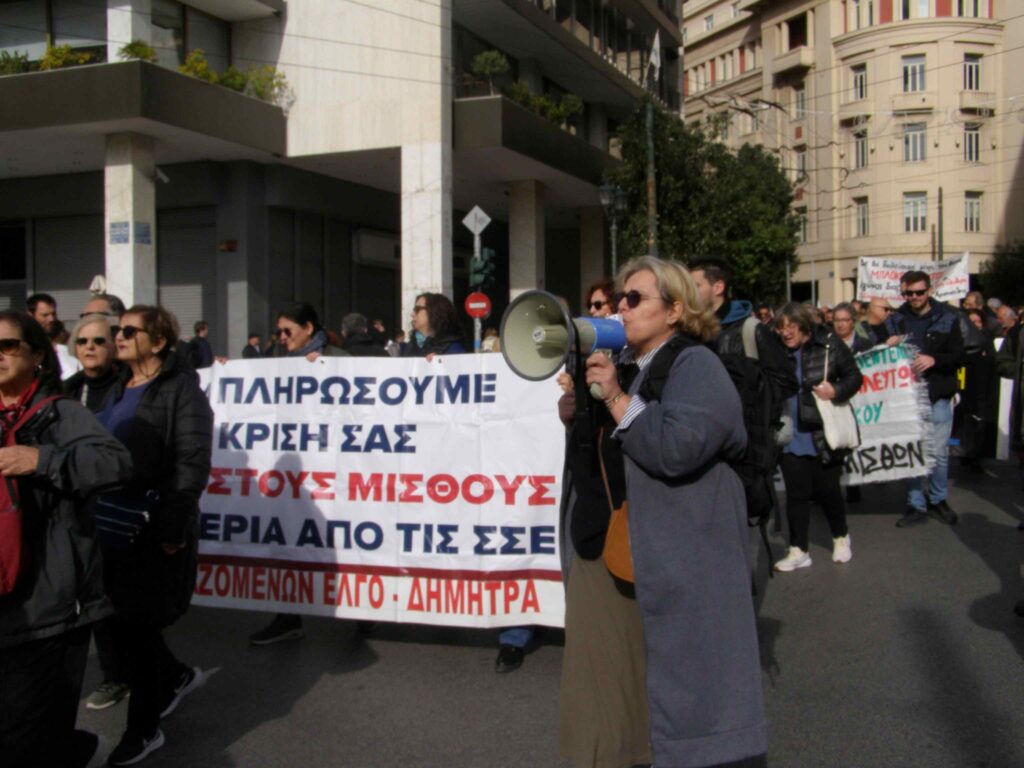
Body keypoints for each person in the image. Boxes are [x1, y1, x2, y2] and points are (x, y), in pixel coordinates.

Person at [584, 256, 767, 768]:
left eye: (634, 298)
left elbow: (677, 448)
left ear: (674, 311)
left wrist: (615, 397)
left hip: (694, 550)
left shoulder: (696, 364)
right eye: (619, 298)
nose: (621, 307)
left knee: (699, 683)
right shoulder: (635, 368)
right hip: (656, 552)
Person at [0, 311, 133, 768]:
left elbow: (116, 464)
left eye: (8, 346)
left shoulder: (62, 412)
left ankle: (77, 748)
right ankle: (75, 749)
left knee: (26, 736)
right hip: (4, 600)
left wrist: (42, 460)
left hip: (49, 606)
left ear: (37, 355)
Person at [98, 305, 213, 765]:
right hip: (108, 521)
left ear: (159, 342)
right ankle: (177, 676)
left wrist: (174, 523)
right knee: (119, 623)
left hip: (150, 524)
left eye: (131, 331)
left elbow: (192, 460)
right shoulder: (115, 386)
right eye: (117, 329)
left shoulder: (181, 390)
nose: (119, 337)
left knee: (137, 625)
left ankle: (143, 729)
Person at [250, 303, 349, 647]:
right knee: (289, 536)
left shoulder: (340, 359)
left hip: (336, 471)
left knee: (345, 538)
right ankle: (287, 617)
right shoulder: (281, 362)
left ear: (308, 328)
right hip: (297, 474)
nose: (280, 337)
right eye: (278, 331)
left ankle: (361, 610)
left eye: (286, 330)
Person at [64, 314, 133, 711]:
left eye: (99, 341)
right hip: (78, 505)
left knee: (117, 599)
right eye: (83, 341)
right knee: (88, 595)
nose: (90, 347)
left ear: (114, 346)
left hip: (120, 504)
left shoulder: (129, 387)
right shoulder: (66, 391)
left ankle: (126, 675)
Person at [772, 304, 862, 571]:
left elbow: (854, 377)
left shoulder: (829, 343)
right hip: (789, 432)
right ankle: (798, 549)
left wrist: (836, 390)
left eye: (791, 326)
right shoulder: (776, 349)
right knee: (796, 495)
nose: (785, 333)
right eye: (780, 328)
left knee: (828, 491)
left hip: (821, 433)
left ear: (804, 326)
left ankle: (840, 537)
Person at [884, 271, 965, 528]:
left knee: (938, 453)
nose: (914, 297)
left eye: (919, 292)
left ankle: (938, 499)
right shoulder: (895, 320)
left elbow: (960, 356)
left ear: (928, 290)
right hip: (907, 397)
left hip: (937, 394)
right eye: (908, 293)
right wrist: (888, 345)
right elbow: (879, 357)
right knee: (913, 452)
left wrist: (934, 360)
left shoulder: (948, 317)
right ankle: (915, 503)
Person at [27, 292, 81, 380]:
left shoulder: (67, 338)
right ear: (31, 315)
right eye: (45, 315)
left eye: (53, 314)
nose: (51, 319)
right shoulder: (25, 341)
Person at [404, 293, 467, 357]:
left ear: (435, 311)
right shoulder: (410, 347)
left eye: (417, 309)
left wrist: (441, 361)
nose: (412, 314)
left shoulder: (453, 349)